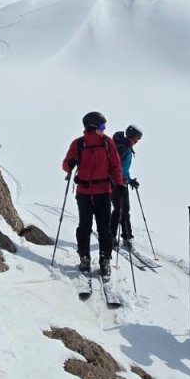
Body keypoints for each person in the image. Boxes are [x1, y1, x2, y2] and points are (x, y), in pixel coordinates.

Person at [61, 111, 123, 278]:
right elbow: (66, 166)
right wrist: (70, 163)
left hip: (102, 192)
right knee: (85, 227)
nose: (104, 129)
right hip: (84, 192)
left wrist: (120, 184)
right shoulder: (79, 144)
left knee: (104, 229)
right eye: (102, 126)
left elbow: (115, 166)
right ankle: (85, 257)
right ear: (93, 127)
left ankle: (105, 260)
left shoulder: (107, 143)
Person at [109, 125, 143, 251]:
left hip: (122, 182)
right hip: (115, 182)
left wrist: (130, 180)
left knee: (125, 210)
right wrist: (117, 179)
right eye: (137, 137)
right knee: (118, 209)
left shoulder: (126, 147)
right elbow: (115, 166)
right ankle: (112, 236)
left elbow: (124, 169)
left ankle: (126, 236)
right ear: (131, 136)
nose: (138, 140)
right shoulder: (122, 148)